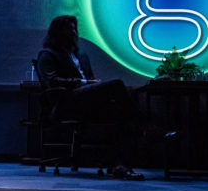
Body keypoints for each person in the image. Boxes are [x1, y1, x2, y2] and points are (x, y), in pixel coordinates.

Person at [36, 15, 144, 180]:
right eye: (69, 29)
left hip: (85, 101)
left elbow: (91, 81)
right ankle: (146, 125)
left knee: (119, 112)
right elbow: (52, 81)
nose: (73, 32)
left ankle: (121, 165)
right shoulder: (48, 54)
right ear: (58, 33)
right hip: (67, 102)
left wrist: (91, 84)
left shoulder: (80, 56)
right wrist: (83, 82)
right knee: (117, 85)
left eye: (74, 29)